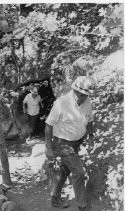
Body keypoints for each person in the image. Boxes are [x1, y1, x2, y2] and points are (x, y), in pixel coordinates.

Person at [45, 76, 95, 211]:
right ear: (75, 91)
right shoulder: (62, 102)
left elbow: (89, 119)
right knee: (78, 172)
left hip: (77, 141)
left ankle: (55, 199)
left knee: (65, 170)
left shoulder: (87, 101)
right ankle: (82, 205)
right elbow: (48, 125)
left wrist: (91, 135)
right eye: (82, 94)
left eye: (86, 95)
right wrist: (48, 148)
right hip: (62, 142)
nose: (84, 97)